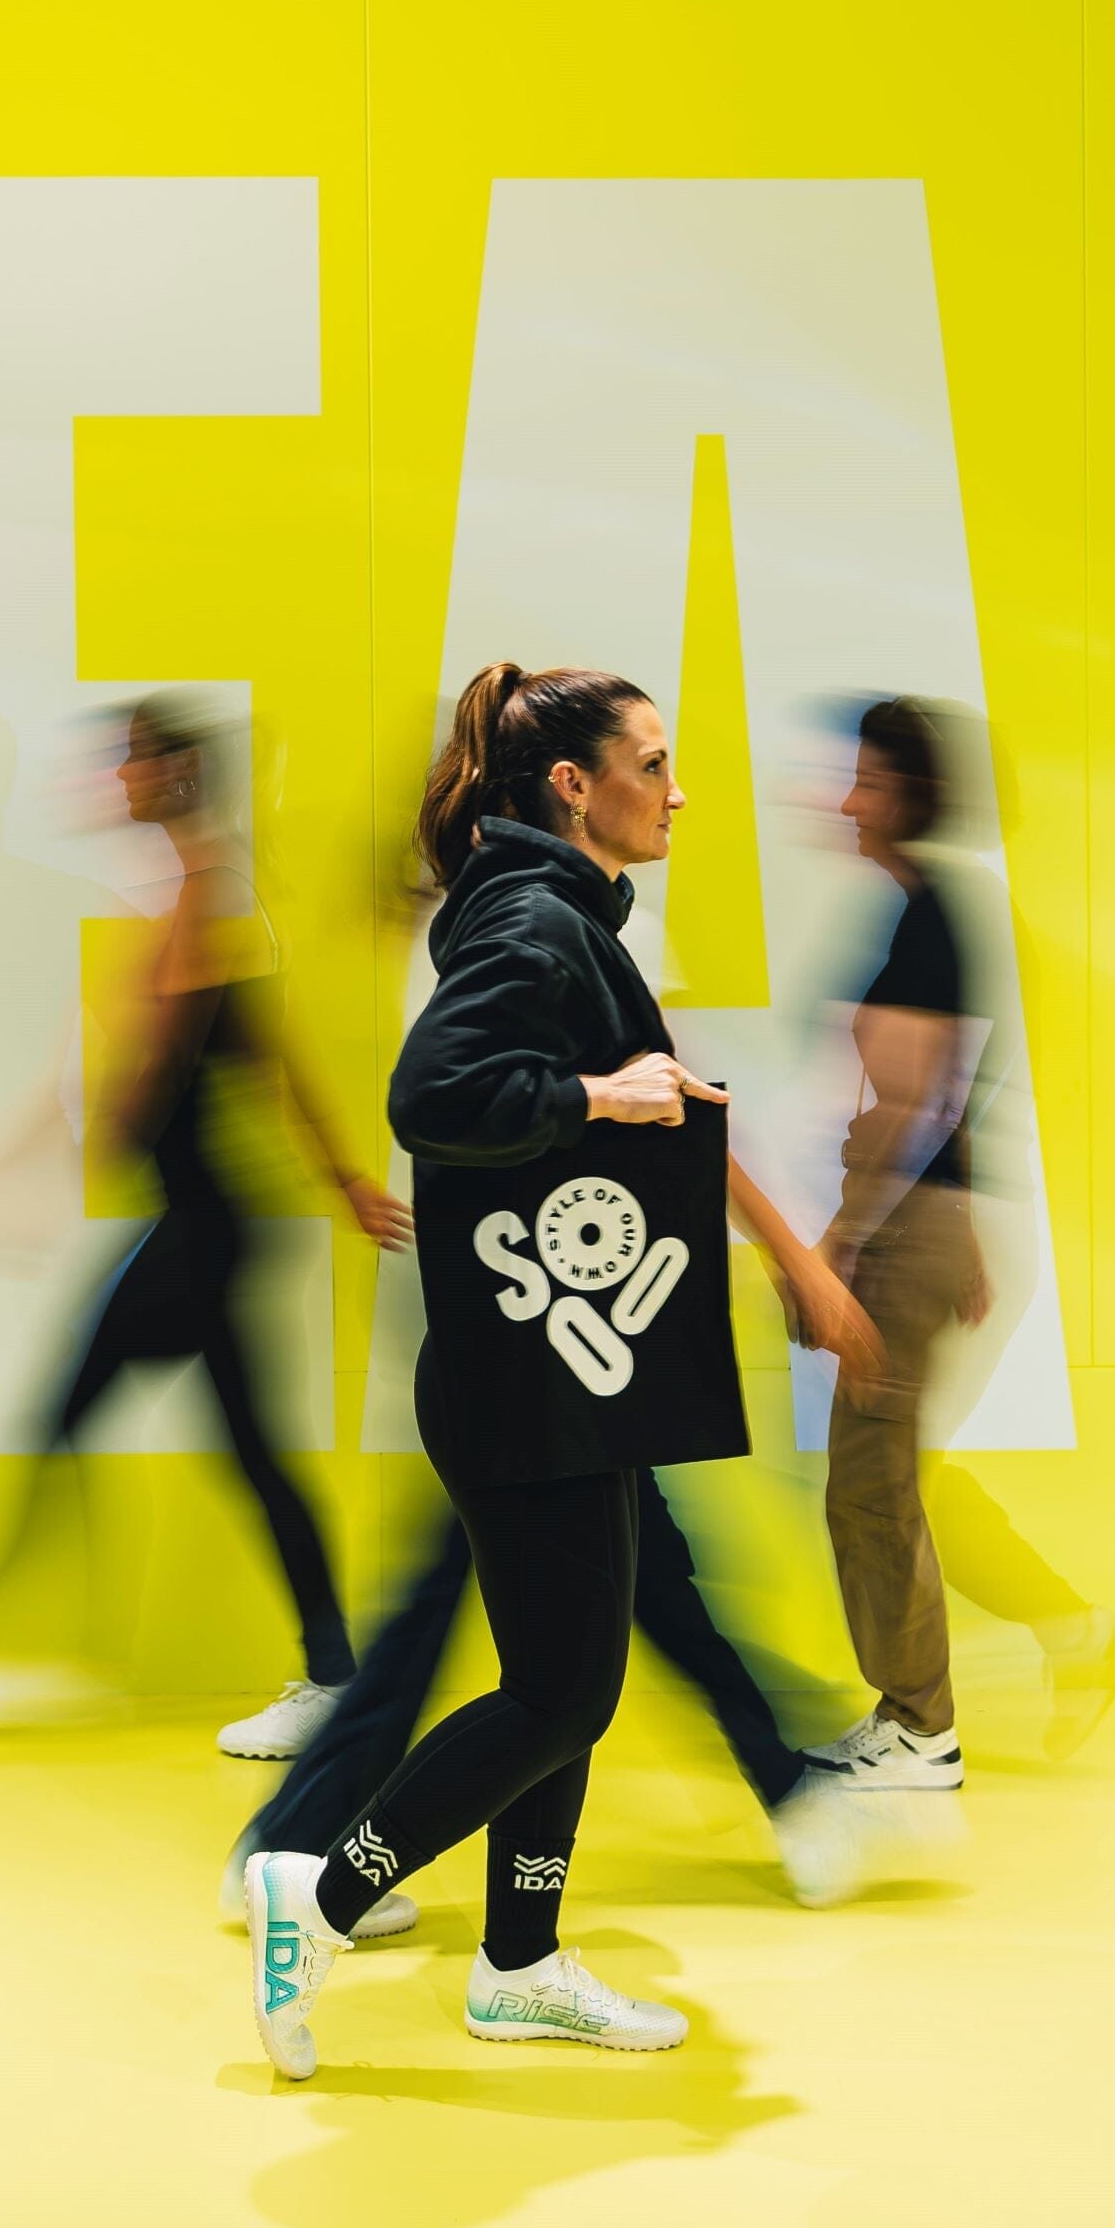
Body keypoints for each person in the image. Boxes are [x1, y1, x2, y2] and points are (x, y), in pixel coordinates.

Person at [242, 663, 877, 2079]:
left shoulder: (552, 914)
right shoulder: (535, 916)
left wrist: (646, 1100)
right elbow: (435, 1094)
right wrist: (601, 1094)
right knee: (565, 1691)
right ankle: (326, 1889)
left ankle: (519, 1961)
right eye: (652, 764)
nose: (678, 788)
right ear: (571, 786)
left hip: (561, 1373)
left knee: (561, 1673)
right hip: (532, 1382)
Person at [0, 694, 411, 1759]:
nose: (104, 782)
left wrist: (65, 1155)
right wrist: (339, 1175)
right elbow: (251, 1056)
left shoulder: (207, 894)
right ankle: (330, 1675)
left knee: (67, 1419)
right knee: (245, 1455)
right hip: (205, 1219)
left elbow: (162, 1074)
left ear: (168, 774)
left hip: (203, 1224)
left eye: (122, 763)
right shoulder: (201, 890)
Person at [805, 698, 1115, 1790]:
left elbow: (912, 1103)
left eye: (865, 780)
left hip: (912, 1230)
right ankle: (1073, 1635)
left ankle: (918, 1728)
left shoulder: (928, 920)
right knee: (898, 1474)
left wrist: (844, 1243)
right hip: (937, 1228)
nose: (847, 800)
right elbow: (949, 1096)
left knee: (869, 1487)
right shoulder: (936, 911)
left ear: (907, 794)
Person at [224, 1475, 886, 1930]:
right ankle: (307, 1857)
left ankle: (306, 1843)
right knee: (574, 1624)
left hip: (544, 1325)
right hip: (555, 1328)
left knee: (609, 1572)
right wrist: (797, 1269)